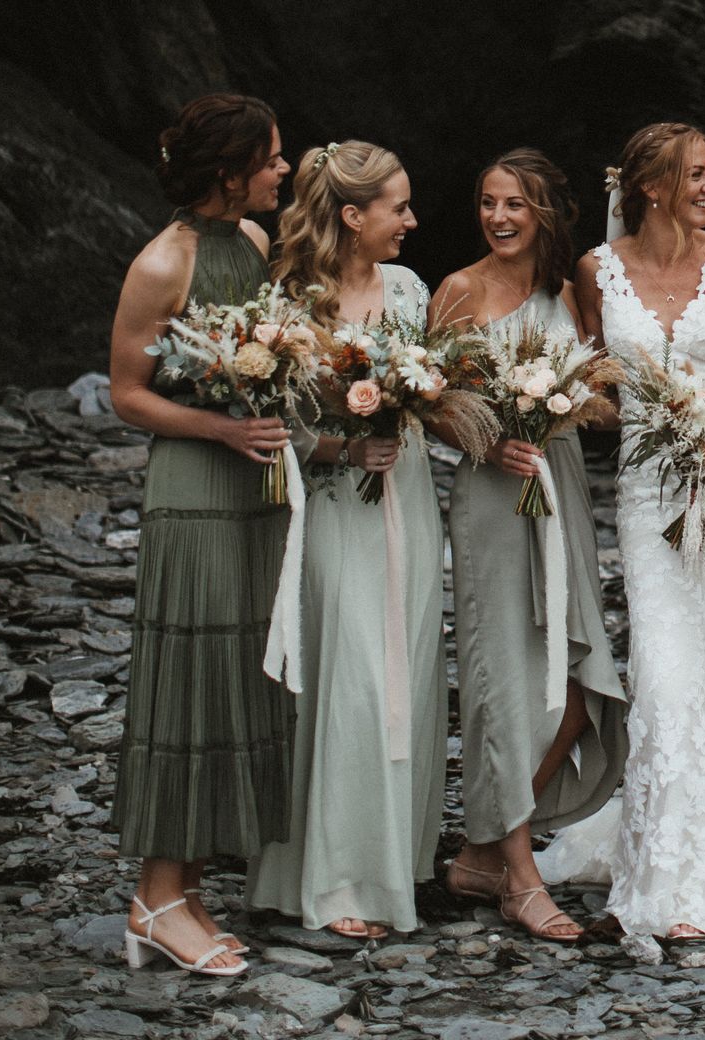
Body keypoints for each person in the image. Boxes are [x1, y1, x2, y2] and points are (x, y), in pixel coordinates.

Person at [539, 122, 705, 939]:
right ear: (649, 186)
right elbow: (589, 389)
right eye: (695, 174)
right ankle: (670, 880)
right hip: (652, 489)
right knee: (671, 670)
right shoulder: (596, 270)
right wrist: (632, 411)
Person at [109, 93, 292, 977]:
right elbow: (126, 394)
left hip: (257, 487)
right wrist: (222, 429)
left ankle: (185, 889)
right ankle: (155, 899)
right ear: (230, 173)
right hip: (194, 488)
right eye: (271, 160)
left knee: (235, 675)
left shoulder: (252, 246)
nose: (284, 172)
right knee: (187, 679)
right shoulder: (162, 261)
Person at [245, 140, 447, 939]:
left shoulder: (406, 288)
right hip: (338, 511)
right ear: (353, 215)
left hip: (412, 502)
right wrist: (342, 447)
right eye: (398, 207)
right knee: (354, 680)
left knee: (412, 674)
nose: (412, 220)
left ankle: (395, 863)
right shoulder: (294, 305)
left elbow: (438, 389)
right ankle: (336, 881)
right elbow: (278, 427)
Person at [432, 149, 627, 942]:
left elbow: (608, 402)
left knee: (579, 690)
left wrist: (572, 401)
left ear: (545, 212)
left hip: (563, 488)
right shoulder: (460, 290)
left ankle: (483, 849)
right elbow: (427, 400)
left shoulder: (568, 291)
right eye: (487, 203)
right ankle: (518, 876)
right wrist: (488, 433)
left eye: (515, 204)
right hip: (492, 498)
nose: (500, 218)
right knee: (505, 684)